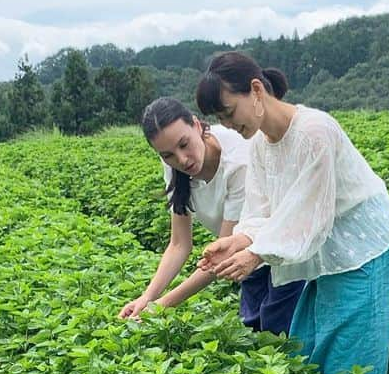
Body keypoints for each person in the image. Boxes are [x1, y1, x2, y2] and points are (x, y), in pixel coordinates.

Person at [195, 53, 389, 374]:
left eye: (229, 112)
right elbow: (262, 210)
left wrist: (255, 254)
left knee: (352, 360)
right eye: (220, 119)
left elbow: (310, 215)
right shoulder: (259, 144)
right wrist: (238, 240)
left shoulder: (315, 131)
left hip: (362, 246)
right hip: (321, 252)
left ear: (256, 90)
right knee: (309, 348)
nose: (228, 124)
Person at [118, 96, 303, 333]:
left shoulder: (238, 162)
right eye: (168, 155)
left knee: (283, 338)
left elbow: (223, 256)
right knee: (257, 334)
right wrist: (147, 298)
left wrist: (162, 305)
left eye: (184, 145)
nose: (181, 159)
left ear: (197, 125)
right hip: (246, 265)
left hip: (282, 255)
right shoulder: (173, 162)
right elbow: (178, 244)